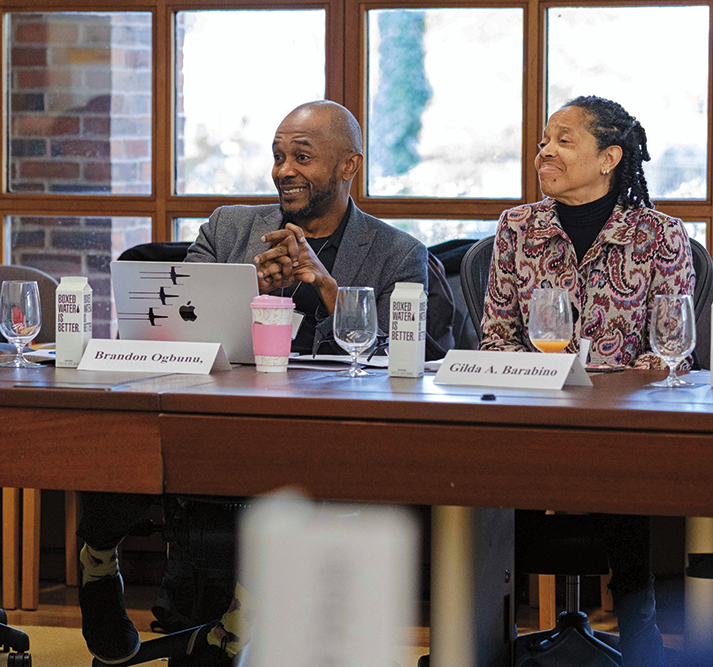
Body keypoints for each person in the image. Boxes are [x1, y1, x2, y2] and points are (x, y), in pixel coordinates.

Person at [77, 100, 455, 667]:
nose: (284, 170)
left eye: (302, 157)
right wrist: (246, 284)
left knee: (316, 458)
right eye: (278, 156)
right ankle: (97, 561)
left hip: (323, 429)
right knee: (120, 425)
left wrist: (329, 288)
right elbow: (174, 332)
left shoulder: (398, 253)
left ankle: (239, 620)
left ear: (349, 166)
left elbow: (424, 357)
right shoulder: (230, 228)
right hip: (208, 419)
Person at [481, 95, 694, 667]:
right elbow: (496, 340)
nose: (544, 151)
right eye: (544, 140)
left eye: (564, 140)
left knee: (621, 473)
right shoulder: (517, 229)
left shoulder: (660, 235)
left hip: (626, 432)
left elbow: (672, 353)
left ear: (609, 158)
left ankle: (642, 639)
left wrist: (627, 384)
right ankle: (482, 642)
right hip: (532, 423)